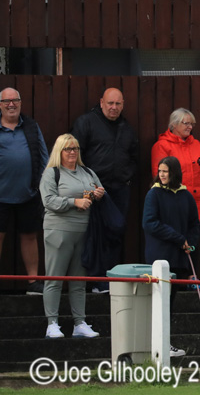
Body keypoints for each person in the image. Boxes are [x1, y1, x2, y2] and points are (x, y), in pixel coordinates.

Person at [72, 87, 138, 292]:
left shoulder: (127, 128)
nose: (113, 107)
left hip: (119, 190)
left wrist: (126, 177)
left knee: (116, 232)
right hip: (93, 190)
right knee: (95, 236)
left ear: (123, 105)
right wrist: (86, 183)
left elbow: (134, 157)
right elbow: (74, 154)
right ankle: (95, 281)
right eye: (110, 103)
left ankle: (111, 280)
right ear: (101, 102)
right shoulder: (86, 123)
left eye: (118, 104)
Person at [39, 134, 104, 339]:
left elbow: (98, 188)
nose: (72, 152)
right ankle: (52, 323)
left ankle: (80, 323)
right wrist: (74, 202)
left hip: (84, 232)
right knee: (55, 278)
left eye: (75, 148)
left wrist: (98, 194)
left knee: (79, 280)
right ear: (59, 152)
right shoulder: (52, 173)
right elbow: (49, 200)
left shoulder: (87, 171)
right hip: (58, 230)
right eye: (67, 149)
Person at [142, 156, 197, 357]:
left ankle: (165, 343)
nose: (162, 174)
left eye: (165, 171)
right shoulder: (154, 194)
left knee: (170, 303)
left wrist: (191, 244)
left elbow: (194, 224)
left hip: (179, 258)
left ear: (174, 173)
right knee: (159, 302)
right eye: (160, 171)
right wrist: (178, 238)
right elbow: (150, 223)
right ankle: (158, 344)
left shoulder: (186, 195)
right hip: (160, 256)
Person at [0, 87, 49, 295]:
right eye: (6, 101)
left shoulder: (31, 126)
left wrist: (43, 184)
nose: (11, 104)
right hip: (1, 197)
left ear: (20, 102)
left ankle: (33, 282)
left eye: (15, 100)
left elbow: (44, 157)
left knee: (30, 237)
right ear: (0, 105)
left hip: (28, 194)